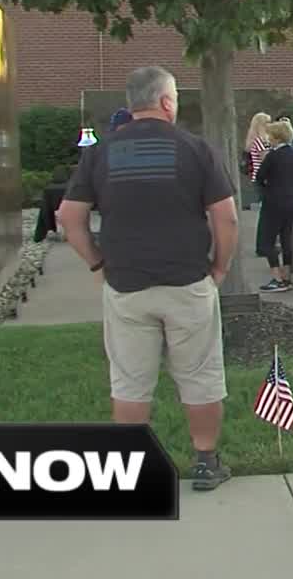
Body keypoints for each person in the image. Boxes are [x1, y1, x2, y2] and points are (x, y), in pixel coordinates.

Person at [58, 65, 239, 491]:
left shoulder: (100, 154)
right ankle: (206, 462)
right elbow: (226, 216)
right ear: (166, 102)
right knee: (200, 375)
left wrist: (98, 263)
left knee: (130, 381)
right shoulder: (195, 149)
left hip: (125, 285)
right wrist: (220, 268)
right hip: (188, 282)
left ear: (131, 104)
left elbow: (69, 218)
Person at [255, 120, 293, 292]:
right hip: (292, 201)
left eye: (270, 135)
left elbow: (260, 177)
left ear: (276, 137)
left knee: (266, 240)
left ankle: (277, 278)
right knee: (286, 239)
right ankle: (287, 275)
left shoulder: (273, 156)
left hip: (274, 202)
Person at [242, 112, 271, 210]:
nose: (269, 125)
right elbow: (265, 157)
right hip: (262, 175)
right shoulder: (259, 140)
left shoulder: (262, 139)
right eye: (267, 123)